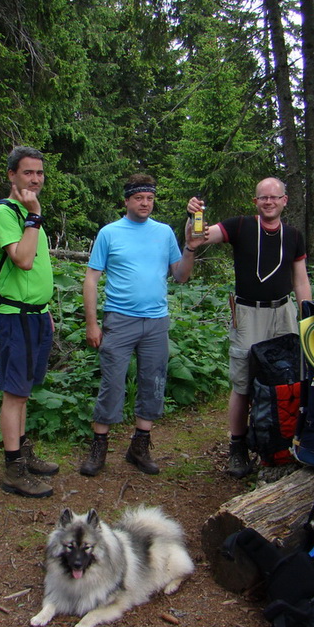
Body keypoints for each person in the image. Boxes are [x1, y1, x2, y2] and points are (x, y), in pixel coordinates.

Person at [187, 177, 312, 478]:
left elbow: (300, 280)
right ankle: (238, 447)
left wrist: (308, 318)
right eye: (262, 197)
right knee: (242, 383)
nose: (269, 202)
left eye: (274, 197)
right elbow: (200, 238)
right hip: (247, 313)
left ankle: (284, 442)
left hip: (283, 313)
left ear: (285, 200)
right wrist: (193, 219)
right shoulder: (241, 226)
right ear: (255, 202)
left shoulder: (293, 236)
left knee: (287, 380)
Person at [79, 174, 197, 477]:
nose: (145, 203)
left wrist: (191, 247)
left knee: (153, 382)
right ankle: (99, 446)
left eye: (150, 198)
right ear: (127, 200)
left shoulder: (164, 232)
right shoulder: (110, 233)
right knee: (112, 384)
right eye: (139, 198)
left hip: (156, 321)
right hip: (119, 320)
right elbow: (91, 279)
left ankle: (139, 446)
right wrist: (92, 324)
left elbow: (180, 276)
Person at [0, 146, 58, 498]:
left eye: (39, 173)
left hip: (35, 315)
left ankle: (23, 451)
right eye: (28, 172)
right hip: (13, 317)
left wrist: (45, 312)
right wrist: (33, 216)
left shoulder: (27, 212)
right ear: (12, 175)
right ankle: (13, 467)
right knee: (14, 393)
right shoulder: (5, 214)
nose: (35, 179)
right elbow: (23, 261)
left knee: (24, 391)